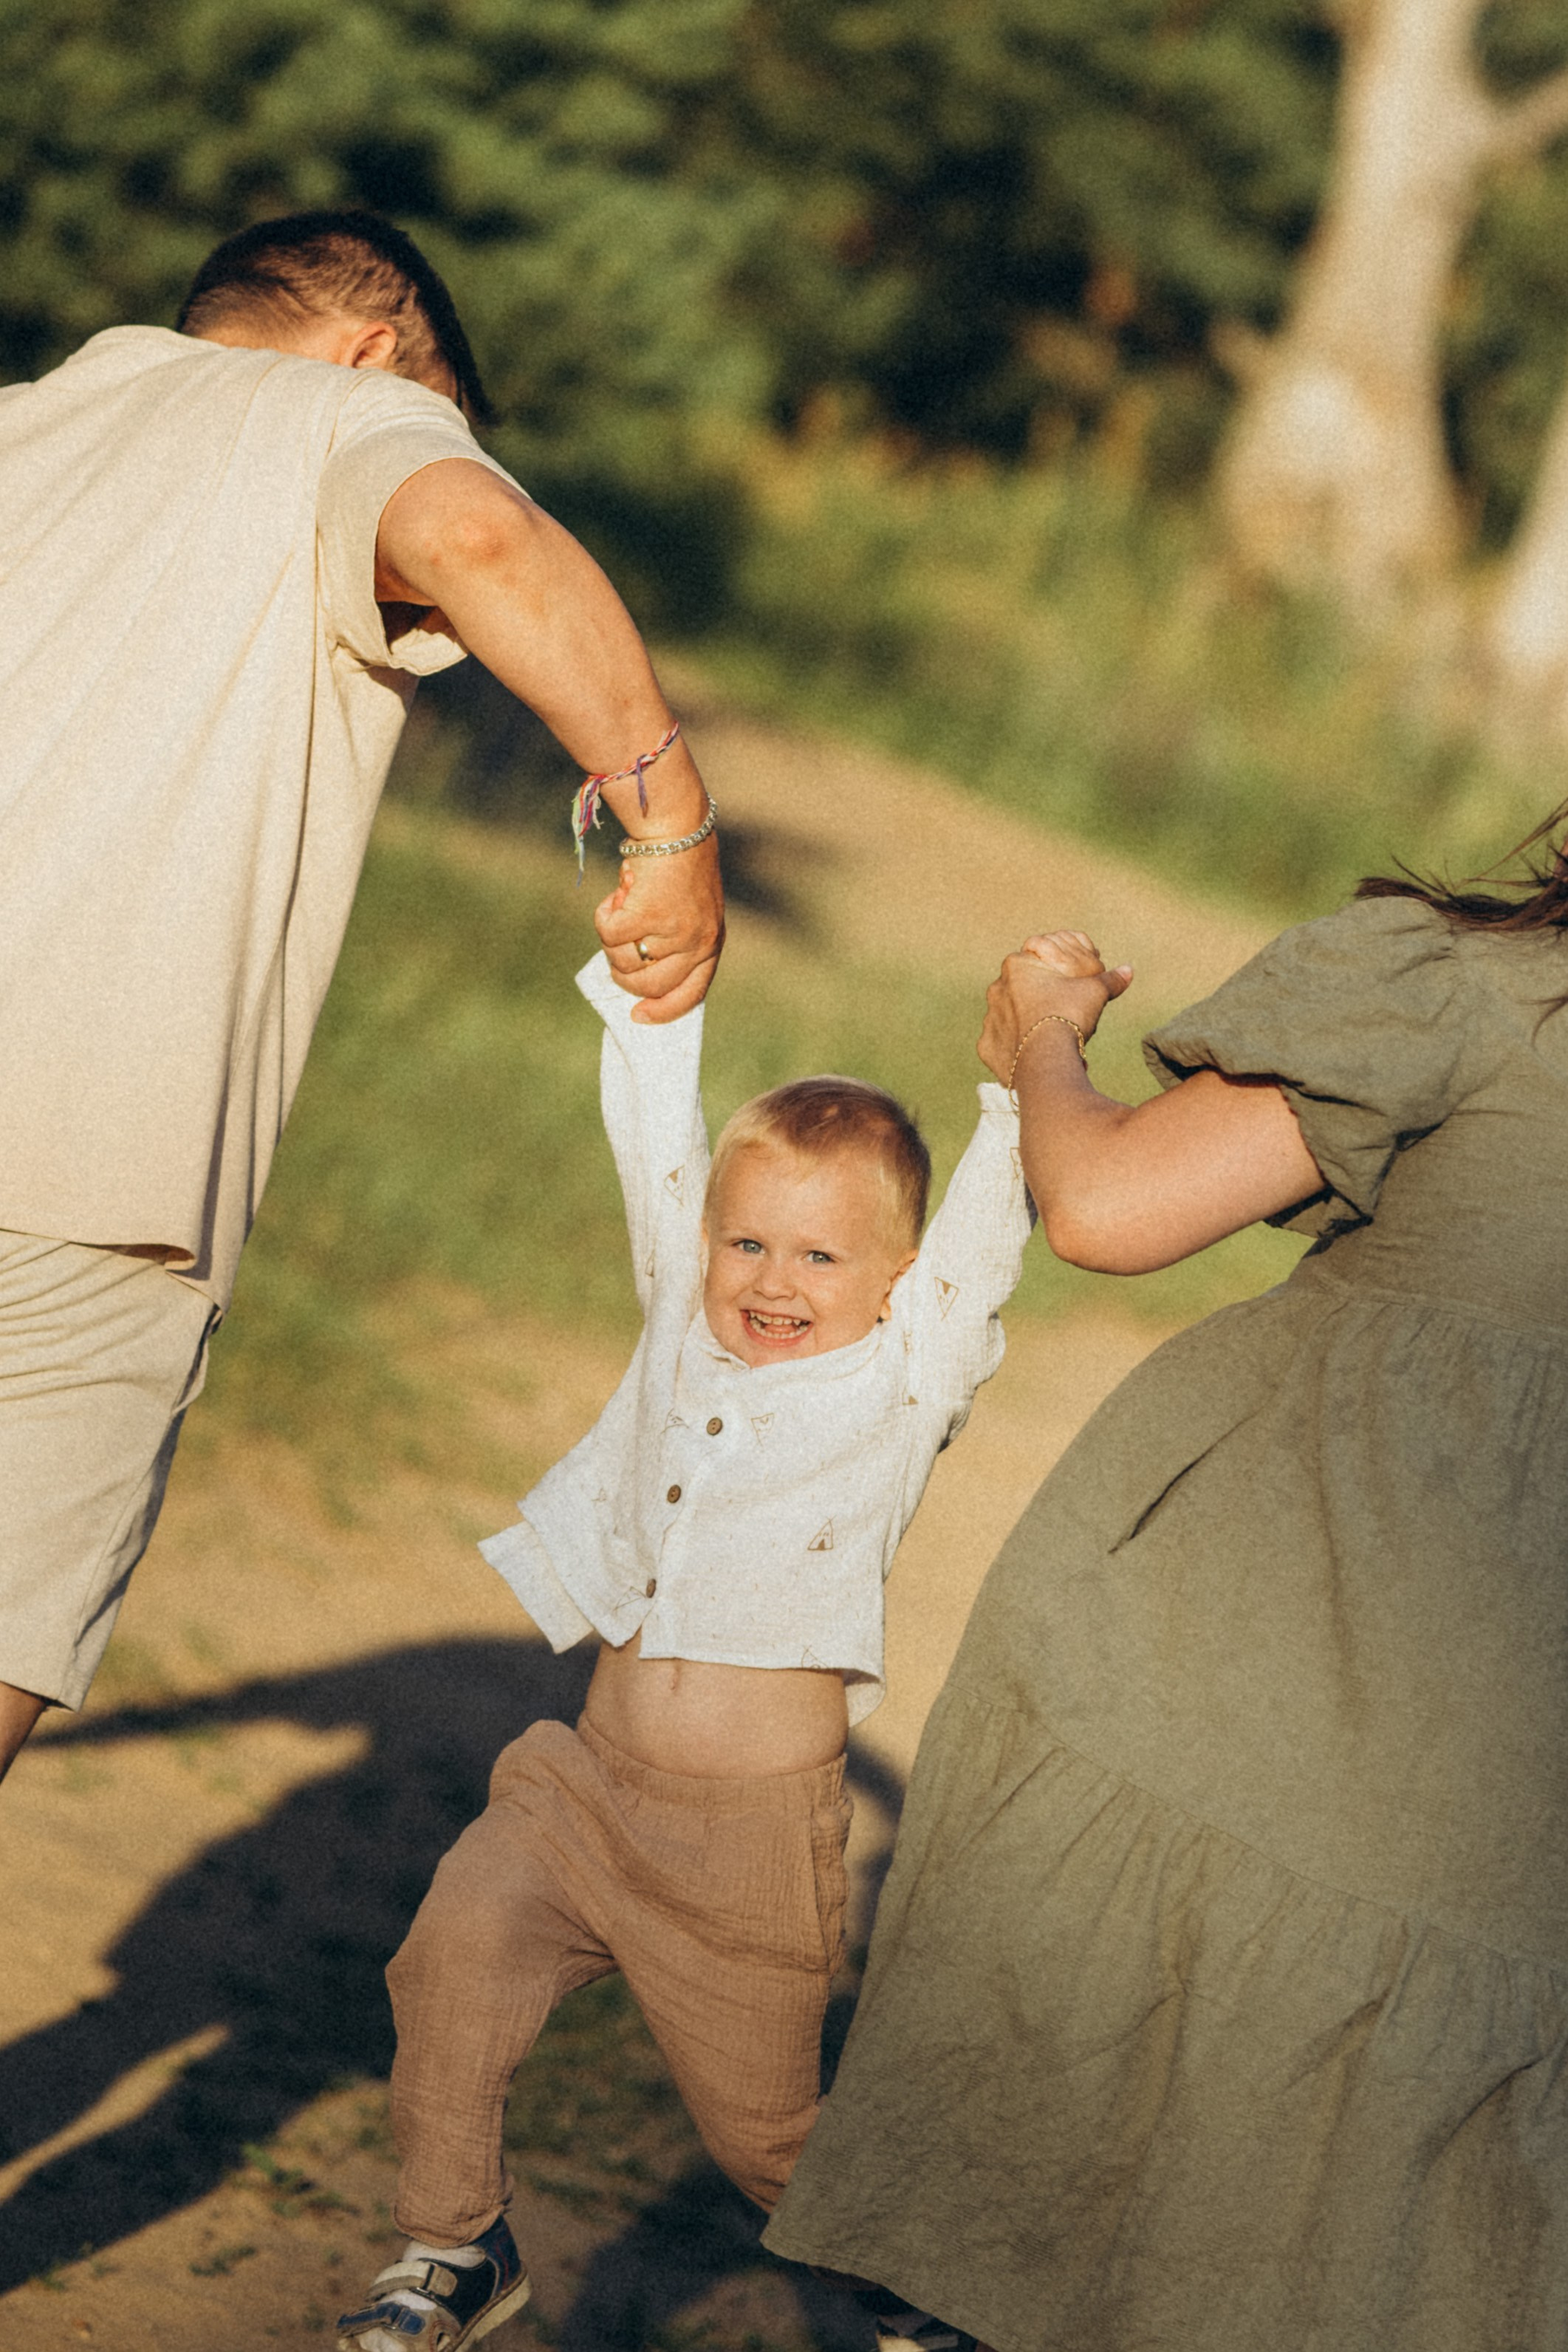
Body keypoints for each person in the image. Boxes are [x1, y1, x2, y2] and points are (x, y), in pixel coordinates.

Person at [763, 833, 1568, 2352]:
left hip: (1248, 1669)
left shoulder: (1472, 988)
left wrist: (1043, 1043)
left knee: (1087, 2179)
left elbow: (1113, 1208)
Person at [0, 210, 722, 1782]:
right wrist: (670, 818)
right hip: (78, 1166)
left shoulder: (27, 420)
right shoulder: (352, 413)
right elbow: (472, 537)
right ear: (369, 347)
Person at [332, 945, 1034, 2352]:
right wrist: (662, 1011)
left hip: (744, 1850)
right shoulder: (684, 1327)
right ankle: (454, 2245)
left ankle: (915, 2308)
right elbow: (656, 1156)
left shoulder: (901, 1380)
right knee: (453, 1958)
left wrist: (1013, 1094)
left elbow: (974, 1249)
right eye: (748, 1244)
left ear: (896, 1283)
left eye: (821, 1257)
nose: (773, 1282)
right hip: (584, 1788)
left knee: (776, 2145)